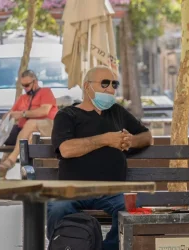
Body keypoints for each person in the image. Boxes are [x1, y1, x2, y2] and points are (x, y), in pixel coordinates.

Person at [47, 66, 152, 250]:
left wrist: (131, 141)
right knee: (57, 208)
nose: (111, 89)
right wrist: (105, 139)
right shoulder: (67, 115)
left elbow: (147, 136)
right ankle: (63, 245)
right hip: (73, 190)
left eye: (114, 84)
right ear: (87, 87)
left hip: (112, 191)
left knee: (132, 208)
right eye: (105, 83)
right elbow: (66, 149)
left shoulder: (117, 112)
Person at [0, 70, 58, 177]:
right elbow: (8, 114)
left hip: (47, 126)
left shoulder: (45, 92)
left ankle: (12, 159)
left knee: (30, 124)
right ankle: (1, 178)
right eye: (23, 85)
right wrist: (10, 115)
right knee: (27, 137)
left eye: (27, 85)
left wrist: (23, 114)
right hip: (27, 132)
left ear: (35, 82)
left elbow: (44, 111)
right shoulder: (23, 98)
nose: (25, 88)